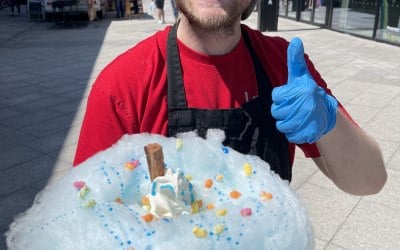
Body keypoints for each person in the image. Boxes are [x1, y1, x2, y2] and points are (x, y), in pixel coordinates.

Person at [74, 0, 387, 196]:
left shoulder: (284, 67)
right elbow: (84, 215)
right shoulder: (122, 86)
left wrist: (328, 123)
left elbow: (369, 181)